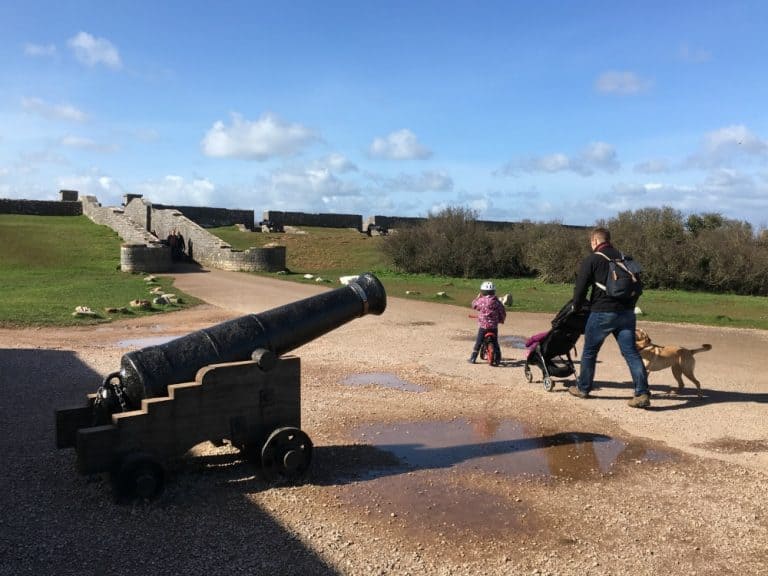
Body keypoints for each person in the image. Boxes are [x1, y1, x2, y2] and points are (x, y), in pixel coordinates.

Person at [568, 227, 650, 408]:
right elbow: (639, 285)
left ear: (595, 241)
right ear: (609, 240)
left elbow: (581, 287)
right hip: (627, 313)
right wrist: (629, 305)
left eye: (591, 242)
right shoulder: (626, 258)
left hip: (601, 312)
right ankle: (642, 393)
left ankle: (583, 388)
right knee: (631, 352)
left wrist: (577, 305)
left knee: (590, 351)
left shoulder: (593, 260)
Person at [468, 281, 506, 365]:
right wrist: (501, 319)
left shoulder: (481, 301)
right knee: (495, 342)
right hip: (493, 326)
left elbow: (474, 305)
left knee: (478, 342)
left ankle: (473, 358)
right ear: (493, 291)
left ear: (482, 292)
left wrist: (477, 298)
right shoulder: (497, 302)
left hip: (483, 326)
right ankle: (498, 358)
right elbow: (502, 311)